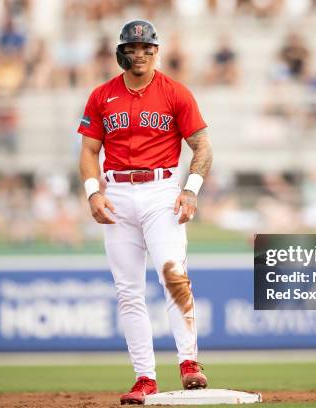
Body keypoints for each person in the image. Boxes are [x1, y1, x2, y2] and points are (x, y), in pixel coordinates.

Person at [77, 20, 213, 405]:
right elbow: (88, 151)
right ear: (121, 51)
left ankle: (188, 362)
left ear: (157, 51)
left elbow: (202, 146)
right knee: (128, 291)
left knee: (174, 275)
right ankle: (144, 377)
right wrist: (92, 193)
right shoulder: (102, 95)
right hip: (117, 191)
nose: (140, 53)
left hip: (161, 190)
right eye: (133, 47)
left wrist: (191, 189)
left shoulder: (175, 93)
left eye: (147, 47)